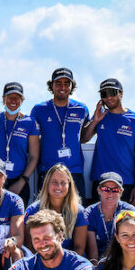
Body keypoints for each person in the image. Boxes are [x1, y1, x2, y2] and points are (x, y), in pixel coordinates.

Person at [82, 78, 135, 206]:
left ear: (121, 93)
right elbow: (84, 138)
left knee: (125, 224)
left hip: (127, 182)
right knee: (100, 224)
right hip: (100, 181)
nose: (108, 97)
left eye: (112, 92)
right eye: (104, 94)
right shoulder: (99, 116)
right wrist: (95, 120)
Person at [30, 68, 89, 198]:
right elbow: (31, 137)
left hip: (74, 171)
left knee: (75, 214)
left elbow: (84, 138)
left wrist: (95, 121)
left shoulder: (82, 109)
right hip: (48, 170)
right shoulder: (39, 109)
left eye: (66, 83)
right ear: (51, 85)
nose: (62, 87)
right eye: (58, 83)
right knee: (46, 216)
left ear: (72, 86)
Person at [23, 164, 88, 256]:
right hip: (42, 261)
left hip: (70, 263)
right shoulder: (33, 210)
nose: (59, 186)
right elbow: (29, 246)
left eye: (63, 182)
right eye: (54, 182)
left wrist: (64, 266)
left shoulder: (79, 211)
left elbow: (79, 248)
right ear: (47, 183)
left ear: (69, 184)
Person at [0, 82, 40, 207]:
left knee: (17, 222)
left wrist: (22, 181)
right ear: (3, 99)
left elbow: (34, 156)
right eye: (9, 97)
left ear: (22, 100)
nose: (13, 100)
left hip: (19, 181)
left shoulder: (29, 122)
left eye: (17, 97)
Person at [85, 172, 135, 265]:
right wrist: (96, 267)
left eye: (115, 189)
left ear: (121, 192)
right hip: (96, 261)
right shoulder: (89, 213)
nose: (110, 193)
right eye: (106, 189)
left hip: (121, 258)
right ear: (99, 190)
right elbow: (93, 252)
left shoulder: (128, 211)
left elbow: (126, 241)